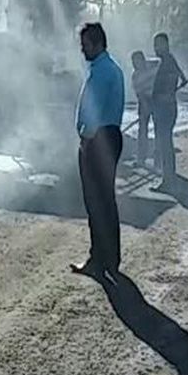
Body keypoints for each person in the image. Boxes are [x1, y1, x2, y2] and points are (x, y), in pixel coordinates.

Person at [73, 22, 125, 279]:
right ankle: (110, 259)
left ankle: (98, 258)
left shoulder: (102, 71)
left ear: (97, 43)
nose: (82, 50)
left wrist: (85, 134)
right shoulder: (108, 67)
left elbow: (93, 108)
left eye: (85, 46)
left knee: (96, 201)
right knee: (105, 201)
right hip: (109, 135)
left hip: (99, 138)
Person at [151, 31, 188, 189]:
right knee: (165, 142)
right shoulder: (169, 60)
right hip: (167, 107)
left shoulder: (166, 62)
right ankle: (168, 177)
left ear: (165, 44)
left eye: (157, 44)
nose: (155, 48)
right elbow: (183, 79)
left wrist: (163, 96)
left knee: (165, 143)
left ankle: (168, 180)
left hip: (165, 108)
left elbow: (169, 85)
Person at [130, 50, 159, 167]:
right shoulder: (135, 75)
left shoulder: (155, 65)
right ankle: (141, 158)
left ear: (143, 60)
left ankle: (158, 160)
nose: (135, 65)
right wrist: (145, 105)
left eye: (136, 61)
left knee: (158, 131)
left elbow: (164, 70)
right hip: (144, 102)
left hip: (157, 100)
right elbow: (139, 94)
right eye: (133, 62)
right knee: (142, 131)